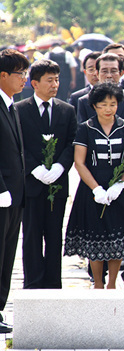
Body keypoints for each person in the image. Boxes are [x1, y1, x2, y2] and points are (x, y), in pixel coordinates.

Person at [64, 82, 124, 289]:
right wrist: (96, 189)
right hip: (93, 188)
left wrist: (120, 185)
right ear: (94, 106)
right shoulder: (86, 128)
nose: (108, 108)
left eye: (113, 103)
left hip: (120, 189)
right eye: (103, 104)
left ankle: (112, 283)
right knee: (95, 238)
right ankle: (98, 283)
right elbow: (79, 162)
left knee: (117, 238)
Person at [16, 59, 77, 289]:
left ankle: (53, 283)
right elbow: (17, 144)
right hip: (30, 184)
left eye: (57, 79)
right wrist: (34, 168)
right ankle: (33, 282)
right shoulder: (19, 110)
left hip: (57, 184)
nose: (55, 84)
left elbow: (72, 142)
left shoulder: (67, 110)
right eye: (49, 80)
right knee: (31, 235)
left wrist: (61, 167)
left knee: (54, 235)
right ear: (34, 83)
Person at [0, 48, 29, 333]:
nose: (25, 80)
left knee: (8, 253)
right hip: (1, 194)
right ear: (3, 75)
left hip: (15, 196)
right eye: (21, 74)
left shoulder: (11, 105)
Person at [77, 53, 124, 136]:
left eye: (113, 71)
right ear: (97, 73)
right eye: (104, 71)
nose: (109, 75)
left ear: (121, 73)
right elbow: (82, 134)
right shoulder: (84, 101)